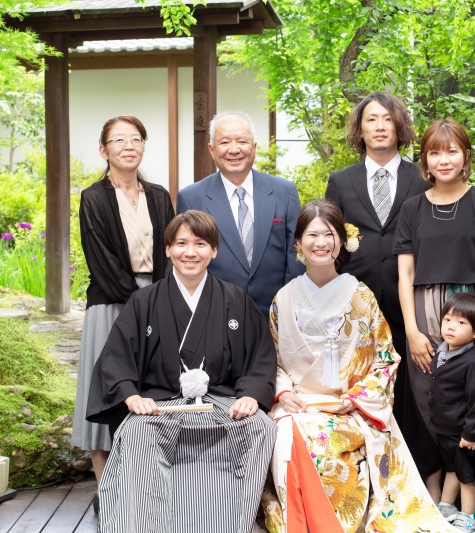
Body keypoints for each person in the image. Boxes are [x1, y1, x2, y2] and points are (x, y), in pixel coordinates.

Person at [261, 199, 454, 533]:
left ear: (342, 240)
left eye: (328, 234)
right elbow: (273, 360)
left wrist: (359, 396)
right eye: (312, 235)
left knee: (318, 441)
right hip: (299, 405)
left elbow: (385, 359)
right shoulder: (284, 298)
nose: (320, 243)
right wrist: (284, 392)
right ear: (299, 243)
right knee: (285, 434)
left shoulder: (361, 295)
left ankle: (329, 524)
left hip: (350, 408)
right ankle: (301, 523)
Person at [86, 210, 277, 533]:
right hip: (160, 404)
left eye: (201, 243)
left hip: (220, 402)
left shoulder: (236, 300)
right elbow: (116, 357)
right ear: (168, 250)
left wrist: (250, 395)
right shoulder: (143, 301)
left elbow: (259, 356)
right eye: (181, 243)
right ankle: (145, 525)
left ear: (214, 250)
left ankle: (229, 523)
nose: (190, 252)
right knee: (136, 432)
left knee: (259, 427)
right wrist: (131, 396)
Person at [394, 118, 475, 533]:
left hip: (474, 314)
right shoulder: (412, 208)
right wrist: (411, 330)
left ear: (466, 156)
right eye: (434, 152)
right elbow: (405, 275)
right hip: (426, 318)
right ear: (424, 159)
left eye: (451, 151)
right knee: (435, 410)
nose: (442, 159)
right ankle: (442, 499)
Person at [324, 92, 438, 493]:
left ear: (399, 126)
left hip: (413, 294)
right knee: (361, 380)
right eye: (371, 119)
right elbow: (333, 240)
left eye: (386, 119)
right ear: (360, 129)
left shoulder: (420, 177)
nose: (379, 126)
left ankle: (416, 475)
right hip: (359, 299)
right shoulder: (341, 180)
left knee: (412, 385)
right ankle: (366, 473)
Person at [71, 115, 175, 504]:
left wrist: (163, 300)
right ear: (104, 150)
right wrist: (142, 303)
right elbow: (101, 260)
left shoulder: (160, 196)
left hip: (157, 298)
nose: (128, 146)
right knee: (104, 387)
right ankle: (105, 487)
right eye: (118, 140)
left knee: (152, 384)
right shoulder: (93, 197)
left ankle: (148, 483)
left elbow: (169, 253)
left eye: (136, 139)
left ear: (143, 147)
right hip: (111, 301)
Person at [176, 111, 303, 316]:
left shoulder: (284, 191)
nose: (234, 150)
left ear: (253, 146)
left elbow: (296, 252)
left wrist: (288, 305)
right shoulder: (192, 198)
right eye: (224, 142)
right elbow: (185, 259)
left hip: (276, 313)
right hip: (214, 312)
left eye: (242, 141)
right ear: (211, 149)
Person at [431, 293, 475, 533]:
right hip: (443, 426)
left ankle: (469, 517)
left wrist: (470, 433)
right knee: (452, 467)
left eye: (460, 323)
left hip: (461, 431)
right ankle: (446, 506)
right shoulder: (442, 351)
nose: (451, 327)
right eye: (447, 320)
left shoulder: (471, 363)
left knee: (466, 474)